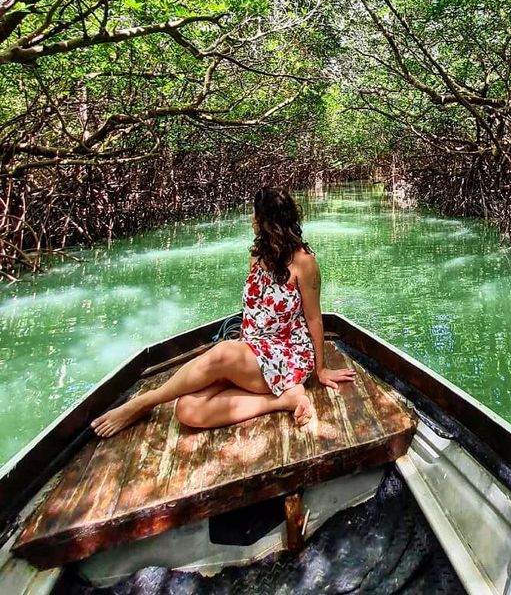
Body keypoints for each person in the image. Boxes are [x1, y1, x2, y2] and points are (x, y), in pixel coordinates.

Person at [91, 186, 355, 437]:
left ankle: (142, 403)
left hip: (287, 356)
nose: (251, 217)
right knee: (188, 411)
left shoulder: (304, 263)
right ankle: (284, 400)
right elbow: (255, 311)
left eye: (255, 212)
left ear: (267, 221)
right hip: (252, 354)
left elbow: (313, 318)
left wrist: (320, 370)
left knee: (222, 352)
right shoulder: (257, 256)